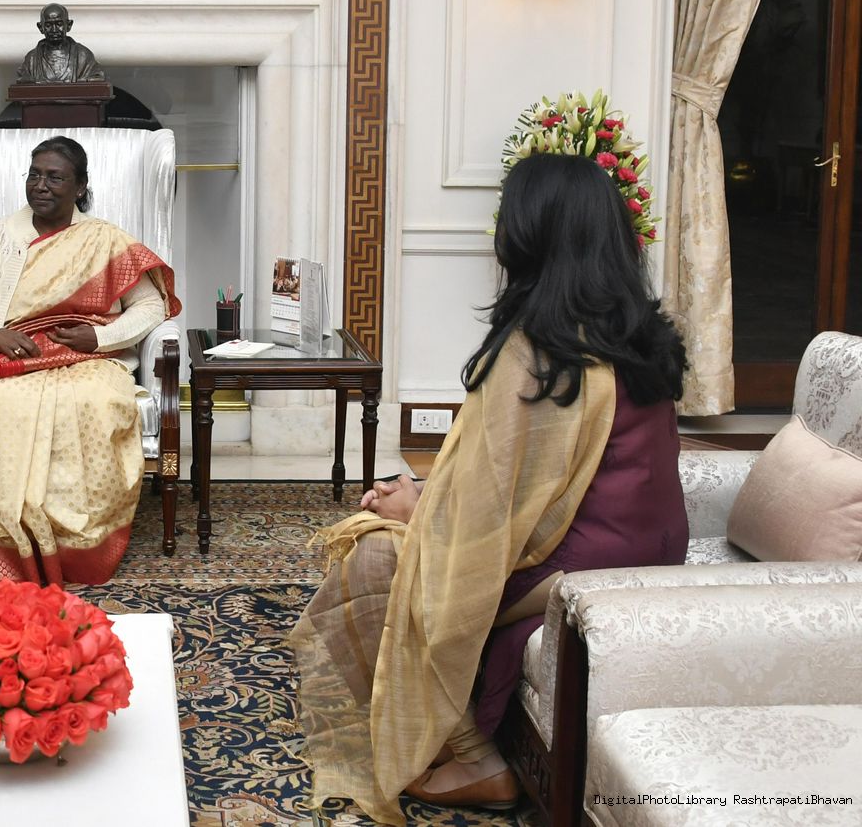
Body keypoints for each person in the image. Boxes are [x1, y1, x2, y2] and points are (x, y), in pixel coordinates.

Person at [290, 153, 687, 824]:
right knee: (404, 537)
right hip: (650, 550)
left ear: (530, 239)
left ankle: (477, 757)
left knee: (374, 557)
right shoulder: (637, 333)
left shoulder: (544, 352)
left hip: (582, 567)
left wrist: (416, 511)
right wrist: (427, 495)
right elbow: (520, 480)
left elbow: (486, 509)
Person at [0, 135, 180, 584]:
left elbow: (150, 306)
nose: (40, 185)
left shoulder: (104, 239)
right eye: (34, 175)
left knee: (91, 404)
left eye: (54, 177)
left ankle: (80, 542)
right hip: (11, 355)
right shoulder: (0, 236)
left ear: (80, 186)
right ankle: (0, 540)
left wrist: (99, 337)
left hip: (86, 359)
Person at [15, 3, 106, 84]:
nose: (54, 30)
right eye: (48, 25)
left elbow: (95, 80)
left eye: (59, 24)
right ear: (40, 27)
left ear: (69, 25)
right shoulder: (31, 59)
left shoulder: (83, 56)